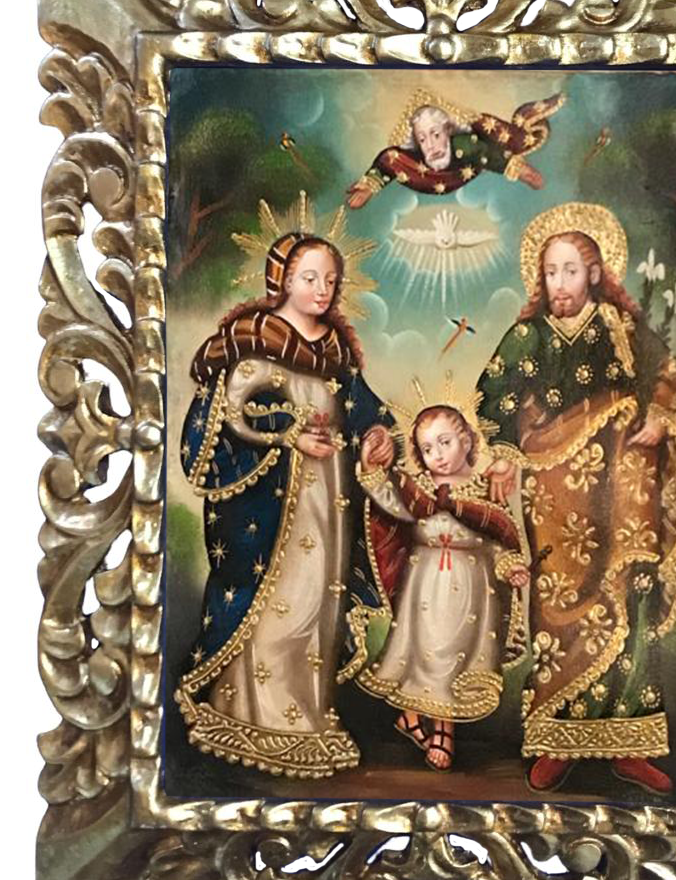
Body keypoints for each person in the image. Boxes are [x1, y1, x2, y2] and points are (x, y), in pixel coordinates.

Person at [474, 202, 676, 794]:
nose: (560, 284)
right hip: (555, 488)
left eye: (570, 271)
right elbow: (493, 394)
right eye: (551, 272)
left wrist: (658, 417)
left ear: (595, 273)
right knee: (559, 598)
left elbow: (670, 378)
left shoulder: (622, 329)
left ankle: (629, 743)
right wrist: (504, 449)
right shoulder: (527, 336)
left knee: (631, 588)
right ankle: (556, 737)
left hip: (622, 484)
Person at [174, 222, 395, 779]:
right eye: (309, 278)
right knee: (278, 600)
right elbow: (231, 412)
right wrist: (290, 432)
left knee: (317, 600)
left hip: (328, 498)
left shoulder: (336, 351)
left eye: (331, 280)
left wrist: (377, 435)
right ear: (283, 280)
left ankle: (304, 716)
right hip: (270, 505)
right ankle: (249, 712)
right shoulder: (253, 338)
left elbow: (364, 409)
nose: (322, 289)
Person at [352, 402, 530, 771]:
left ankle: (412, 719)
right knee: (431, 653)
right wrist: (371, 470)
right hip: (427, 584)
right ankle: (442, 734)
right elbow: (390, 502)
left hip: (473, 588)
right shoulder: (417, 490)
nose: (438, 455)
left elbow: (499, 539)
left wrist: (510, 567)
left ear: (467, 439)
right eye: (428, 449)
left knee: (455, 658)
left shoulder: (484, 490)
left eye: (445, 442)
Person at [346, 93, 564, 208]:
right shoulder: (414, 160)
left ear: (448, 131)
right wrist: (368, 187)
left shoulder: (465, 145)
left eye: (436, 134)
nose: (431, 145)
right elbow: (388, 161)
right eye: (422, 139)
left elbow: (487, 154)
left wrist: (521, 171)